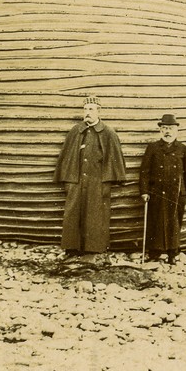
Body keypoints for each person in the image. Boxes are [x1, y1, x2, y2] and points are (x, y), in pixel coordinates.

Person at [55, 97, 126, 256]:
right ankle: (71, 248)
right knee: (73, 213)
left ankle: (93, 249)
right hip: (76, 181)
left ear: (99, 112)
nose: (87, 113)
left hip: (97, 182)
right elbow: (66, 156)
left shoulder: (108, 133)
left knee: (95, 215)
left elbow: (115, 159)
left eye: (91, 109)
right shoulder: (76, 130)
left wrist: (107, 183)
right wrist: (68, 181)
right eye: (85, 109)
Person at [139, 113, 186, 261]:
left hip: (177, 193)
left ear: (176, 130)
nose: (167, 131)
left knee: (174, 223)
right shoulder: (152, 148)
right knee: (156, 222)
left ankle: (172, 253)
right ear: (160, 130)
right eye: (164, 128)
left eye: (170, 128)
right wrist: (144, 191)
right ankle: (154, 253)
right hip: (157, 192)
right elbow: (144, 172)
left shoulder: (183, 149)